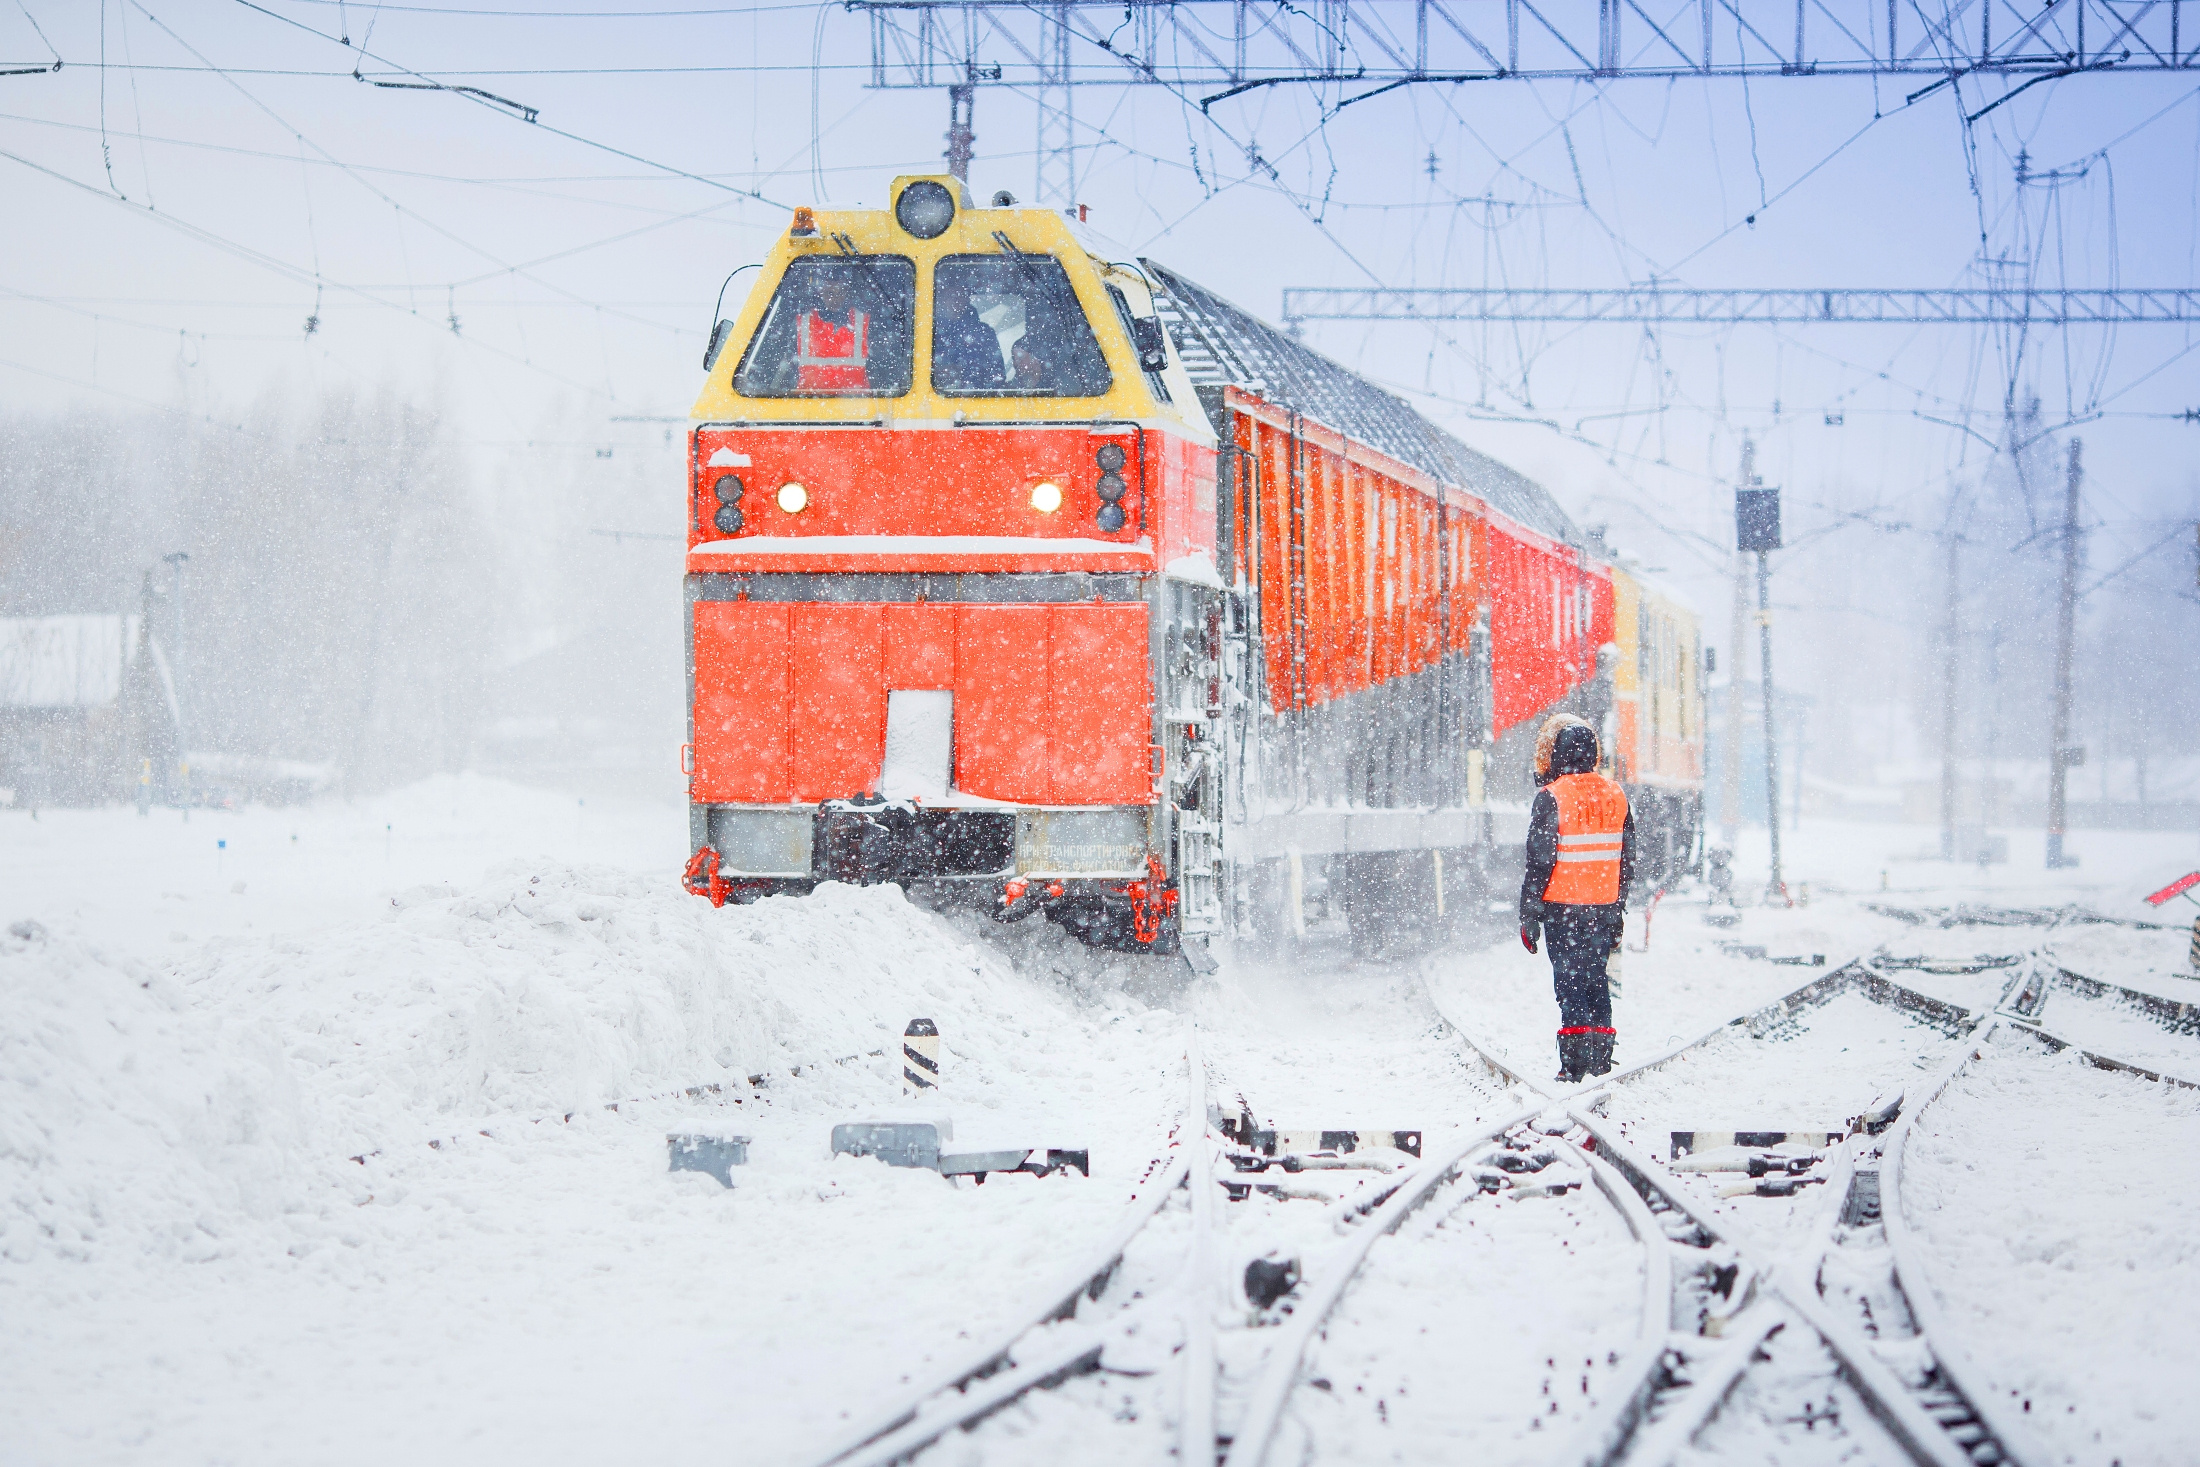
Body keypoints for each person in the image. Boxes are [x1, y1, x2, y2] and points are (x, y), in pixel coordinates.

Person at [1519, 715, 1637, 1082]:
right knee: (1595, 980)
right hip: (1603, 908)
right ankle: (1600, 1059)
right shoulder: (1617, 795)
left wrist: (1529, 915)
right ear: (1594, 755)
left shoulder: (1552, 797)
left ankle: (1574, 1065)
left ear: (1556, 756)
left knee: (1569, 984)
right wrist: (1618, 909)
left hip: (1563, 909)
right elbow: (1626, 859)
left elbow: (1539, 861)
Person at [795, 275, 871, 392]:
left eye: (840, 292)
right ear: (820, 292)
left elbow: (878, 368)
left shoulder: (863, 323)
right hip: (810, 405)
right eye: (830, 293)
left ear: (847, 293)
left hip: (856, 405)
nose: (835, 299)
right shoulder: (804, 323)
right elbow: (787, 366)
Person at [931, 272, 1007, 390]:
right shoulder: (930, 332)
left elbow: (998, 375)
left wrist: (970, 374)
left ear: (967, 299)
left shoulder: (985, 333)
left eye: (960, 295)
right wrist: (941, 372)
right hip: (935, 400)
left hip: (979, 399)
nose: (956, 300)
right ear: (941, 300)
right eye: (950, 296)